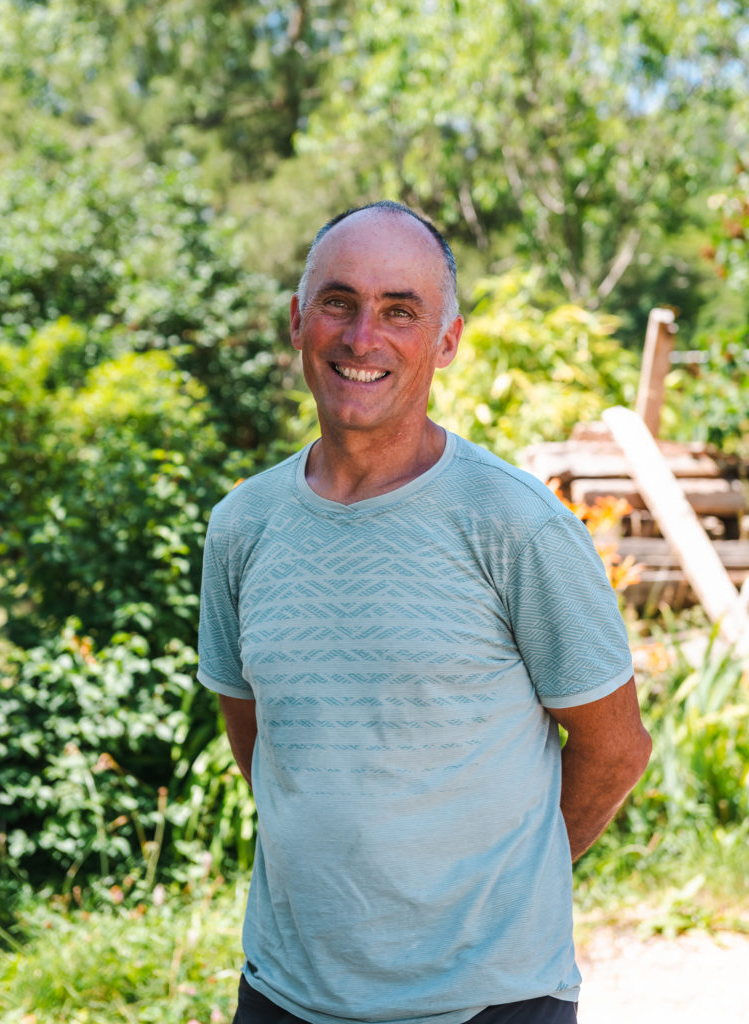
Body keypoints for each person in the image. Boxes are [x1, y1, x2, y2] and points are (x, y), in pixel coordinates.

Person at [197, 200, 652, 1024]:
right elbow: (260, 739)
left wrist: (502, 894)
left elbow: (615, 749)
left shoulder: (518, 524)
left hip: (490, 1002)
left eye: (400, 310)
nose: (362, 336)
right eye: (339, 302)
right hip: (284, 996)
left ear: (446, 342)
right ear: (299, 321)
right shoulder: (243, 526)